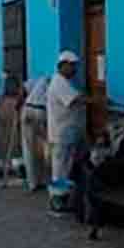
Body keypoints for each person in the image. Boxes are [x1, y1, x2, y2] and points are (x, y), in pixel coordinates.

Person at [46, 51, 87, 201]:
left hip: (67, 132)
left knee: (65, 166)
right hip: (61, 132)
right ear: (63, 65)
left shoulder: (64, 82)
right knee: (59, 168)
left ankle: (63, 196)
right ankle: (57, 198)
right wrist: (98, 101)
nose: (75, 70)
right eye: (72, 66)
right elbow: (76, 99)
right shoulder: (59, 82)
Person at [19, 74, 50, 191]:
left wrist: (20, 101)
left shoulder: (41, 78)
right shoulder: (54, 83)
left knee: (29, 148)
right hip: (42, 112)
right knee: (42, 147)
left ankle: (32, 182)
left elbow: (23, 88)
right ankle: (43, 179)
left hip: (28, 110)